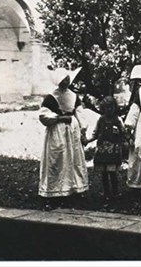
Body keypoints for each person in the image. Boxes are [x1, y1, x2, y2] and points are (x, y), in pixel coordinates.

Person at [38, 66, 88, 207]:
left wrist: (83, 130)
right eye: (62, 79)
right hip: (57, 131)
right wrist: (59, 118)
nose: (65, 82)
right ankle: (55, 191)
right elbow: (43, 115)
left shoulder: (73, 96)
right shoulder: (51, 97)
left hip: (72, 130)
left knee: (73, 158)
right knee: (57, 158)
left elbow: (80, 113)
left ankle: (74, 188)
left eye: (67, 79)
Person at [89, 95, 126, 199]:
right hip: (102, 149)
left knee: (112, 171)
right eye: (106, 108)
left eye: (111, 107)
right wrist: (89, 140)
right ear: (103, 108)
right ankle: (106, 192)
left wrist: (125, 140)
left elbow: (123, 132)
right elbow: (95, 133)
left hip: (113, 149)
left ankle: (115, 192)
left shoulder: (117, 120)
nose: (109, 110)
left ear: (114, 107)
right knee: (104, 172)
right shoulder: (101, 119)